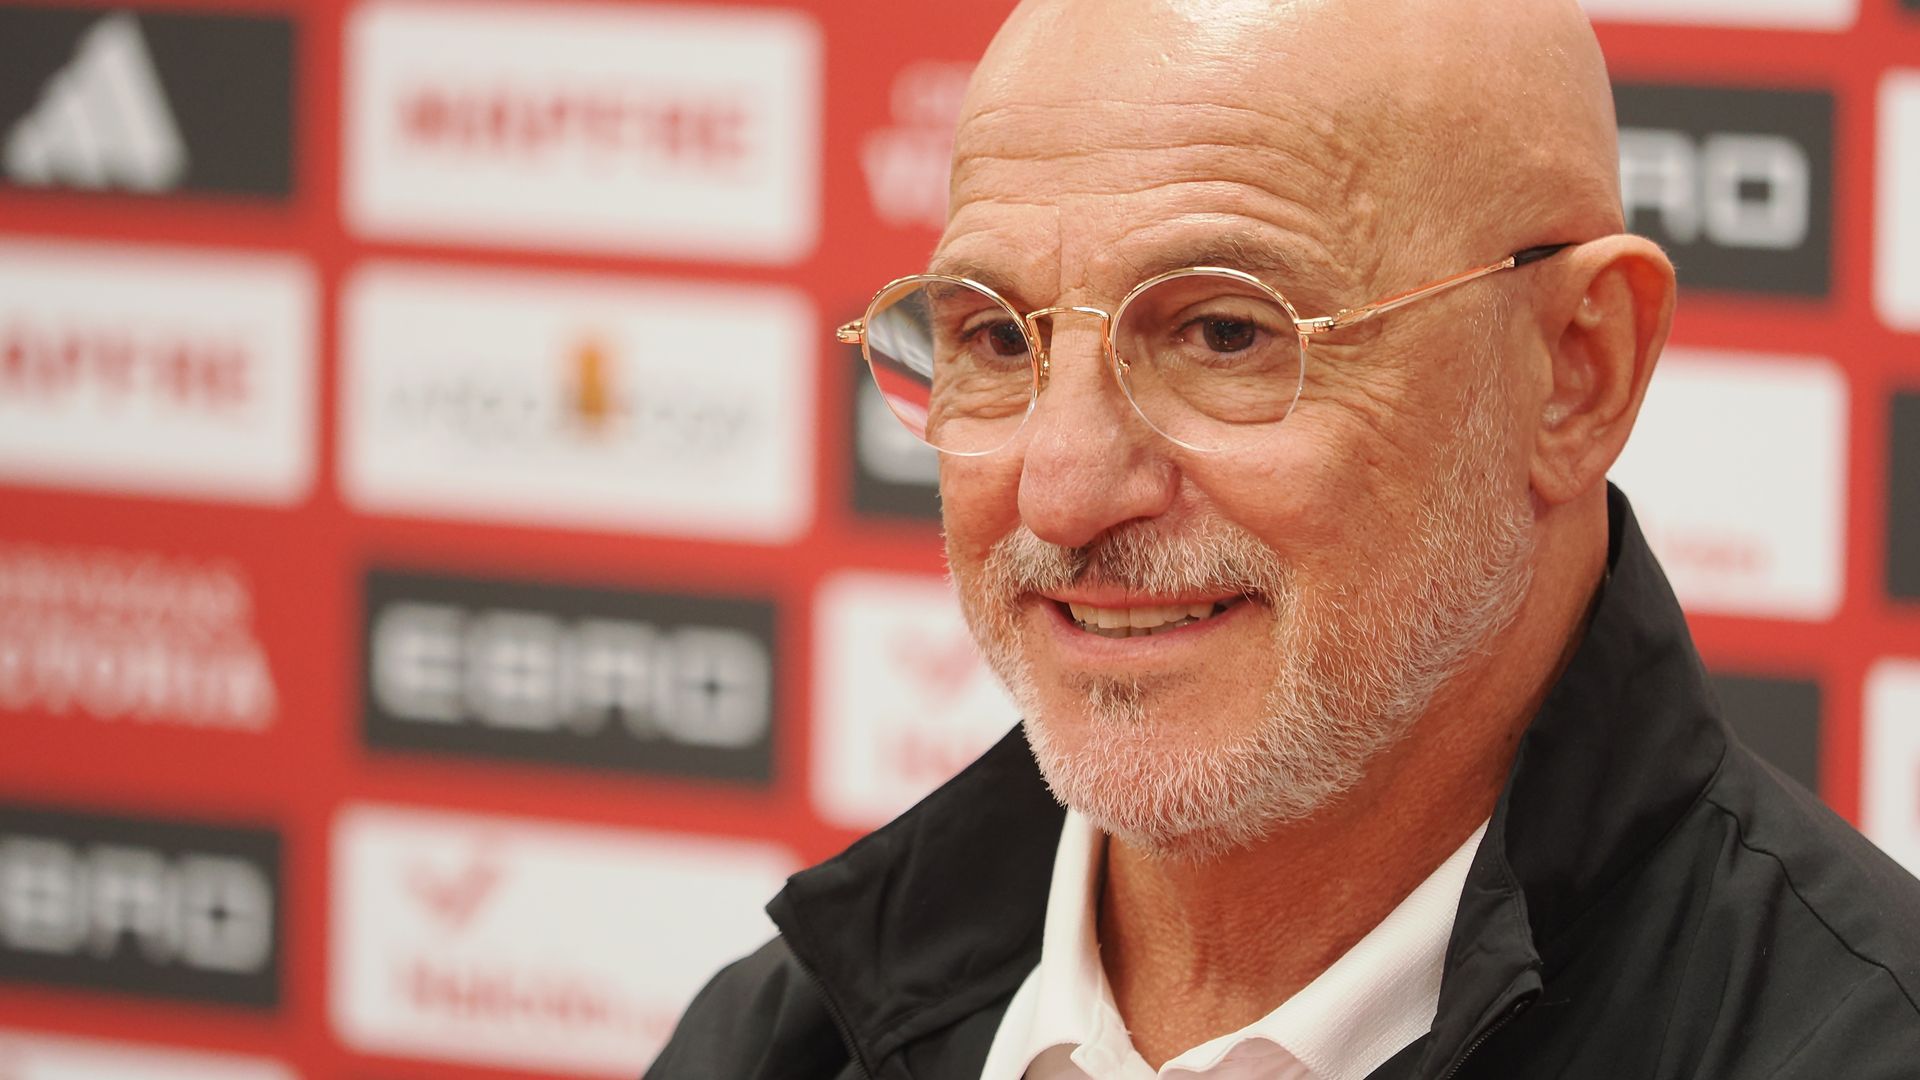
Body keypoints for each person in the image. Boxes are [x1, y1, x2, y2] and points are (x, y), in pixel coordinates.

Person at [648, 0, 1920, 1076]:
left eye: (1225, 334)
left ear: (1574, 372)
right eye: (994, 337)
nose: (1062, 494)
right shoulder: (779, 1034)